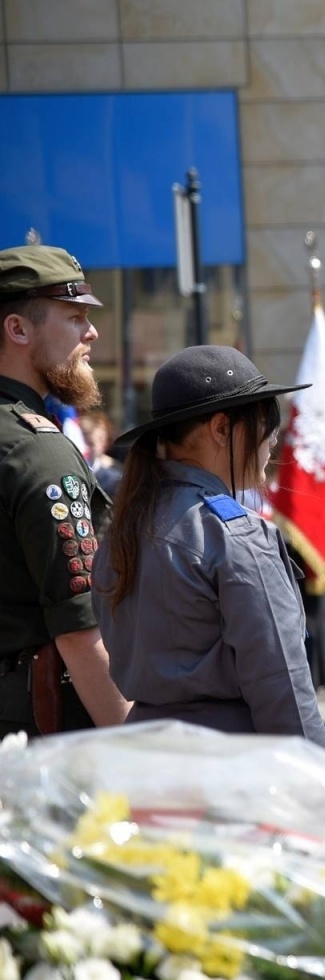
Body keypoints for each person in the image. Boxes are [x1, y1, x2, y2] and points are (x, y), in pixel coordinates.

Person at [93, 345, 324, 744]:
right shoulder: (236, 534)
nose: (271, 444)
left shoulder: (123, 530)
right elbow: (281, 681)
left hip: (146, 755)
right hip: (231, 761)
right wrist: (321, 786)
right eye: (265, 425)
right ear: (221, 428)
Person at [0, 244, 129, 736]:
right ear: (18, 329)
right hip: (33, 735)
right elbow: (80, 629)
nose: (91, 332)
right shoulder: (38, 451)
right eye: (74, 317)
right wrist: (138, 747)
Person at [78, 410, 122, 498]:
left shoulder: (113, 478)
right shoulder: (75, 471)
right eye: (82, 443)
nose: (86, 449)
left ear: (103, 443)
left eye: (91, 444)